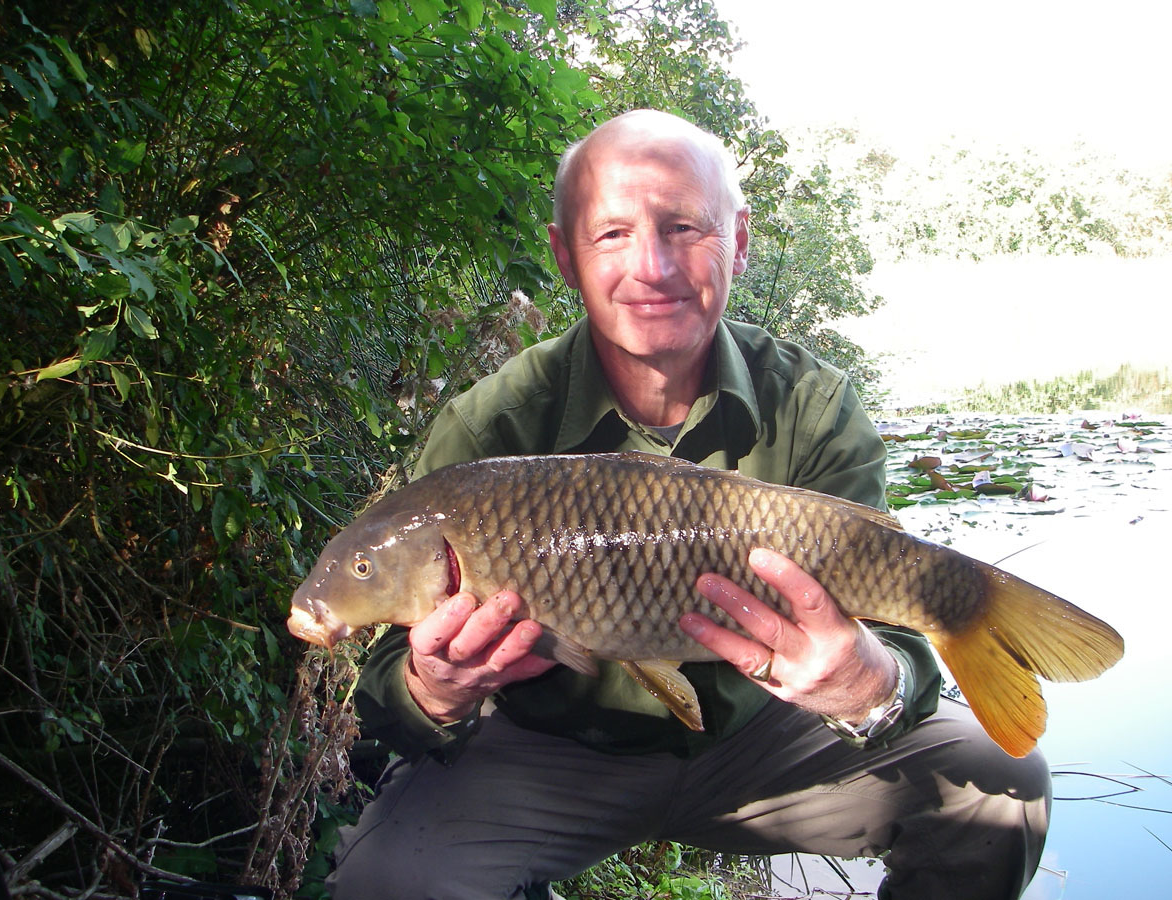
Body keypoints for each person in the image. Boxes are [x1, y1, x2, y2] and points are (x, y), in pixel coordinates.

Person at [326, 110, 1051, 900]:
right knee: (387, 882)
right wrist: (434, 688)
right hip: (547, 752)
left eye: (683, 228)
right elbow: (383, 691)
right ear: (564, 256)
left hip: (769, 735)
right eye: (612, 235)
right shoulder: (490, 429)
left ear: (738, 241)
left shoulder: (812, 407)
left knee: (998, 786)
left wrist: (865, 687)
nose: (652, 267)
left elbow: (897, 661)